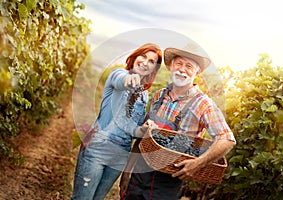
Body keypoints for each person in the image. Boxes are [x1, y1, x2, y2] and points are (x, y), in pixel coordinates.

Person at [120, 44, 236, 200]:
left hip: (168, 183)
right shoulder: (159, 96)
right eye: (179, 64)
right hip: (139, 173)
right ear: (171, 66)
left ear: (197, 72)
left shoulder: (203, 104)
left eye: (189, 66)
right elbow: (142, 137)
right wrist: (127, 171)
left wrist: (198, 163)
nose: (182, 69)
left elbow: (227, 139)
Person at [71, 43, 162, 200]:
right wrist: (130, 79)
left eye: (152, 61)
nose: (145, 62)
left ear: (154, 69)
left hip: (120, 155)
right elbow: (122, 81)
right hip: (98, 147)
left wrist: (145, 129)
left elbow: (132, 130)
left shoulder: (143, 95)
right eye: (143, 56)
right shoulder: (118, 74)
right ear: (135, 57)